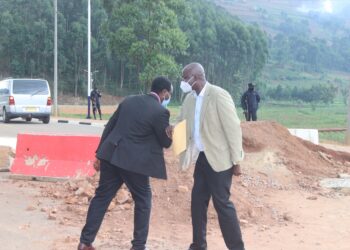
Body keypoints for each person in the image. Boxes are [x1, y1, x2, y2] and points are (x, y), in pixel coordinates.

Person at [78, 76, 173, 250]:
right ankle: (138, 246)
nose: (168, 98)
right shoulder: (161, 112)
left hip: (111, 155)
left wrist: (99, 154)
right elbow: (165, 143)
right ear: (164, 92)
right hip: (134, 163)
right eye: (169, 94)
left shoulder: (129, 100)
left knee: (101, 197)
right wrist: (170, 133)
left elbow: (110, 126)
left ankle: (85, 242)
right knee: (144, 200)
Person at [177, 63, 245, 250]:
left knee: (222, 204)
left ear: (196, 77)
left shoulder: (218, 95)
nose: (183, 82)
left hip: (220, 160)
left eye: (185, 78)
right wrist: (171, 131)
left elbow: (233, 129)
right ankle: (198, 245)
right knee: (197, 202)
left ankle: (237, 248)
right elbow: (181, 122)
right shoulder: (189, 99)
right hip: (202, 157)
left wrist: (236, 160)